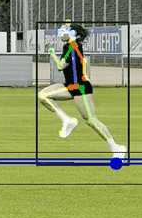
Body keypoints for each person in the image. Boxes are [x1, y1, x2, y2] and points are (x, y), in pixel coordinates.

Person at [38, 22, 126, 159]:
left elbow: (60, 65)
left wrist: (51, 52)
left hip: (80, 87)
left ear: (74, 34)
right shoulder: (69, 46)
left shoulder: (73, 46)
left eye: (65, 30)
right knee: (43, 95)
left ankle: (116, 148)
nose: (61, 32)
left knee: (90, 120)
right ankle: (67, 121)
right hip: (70, 85)